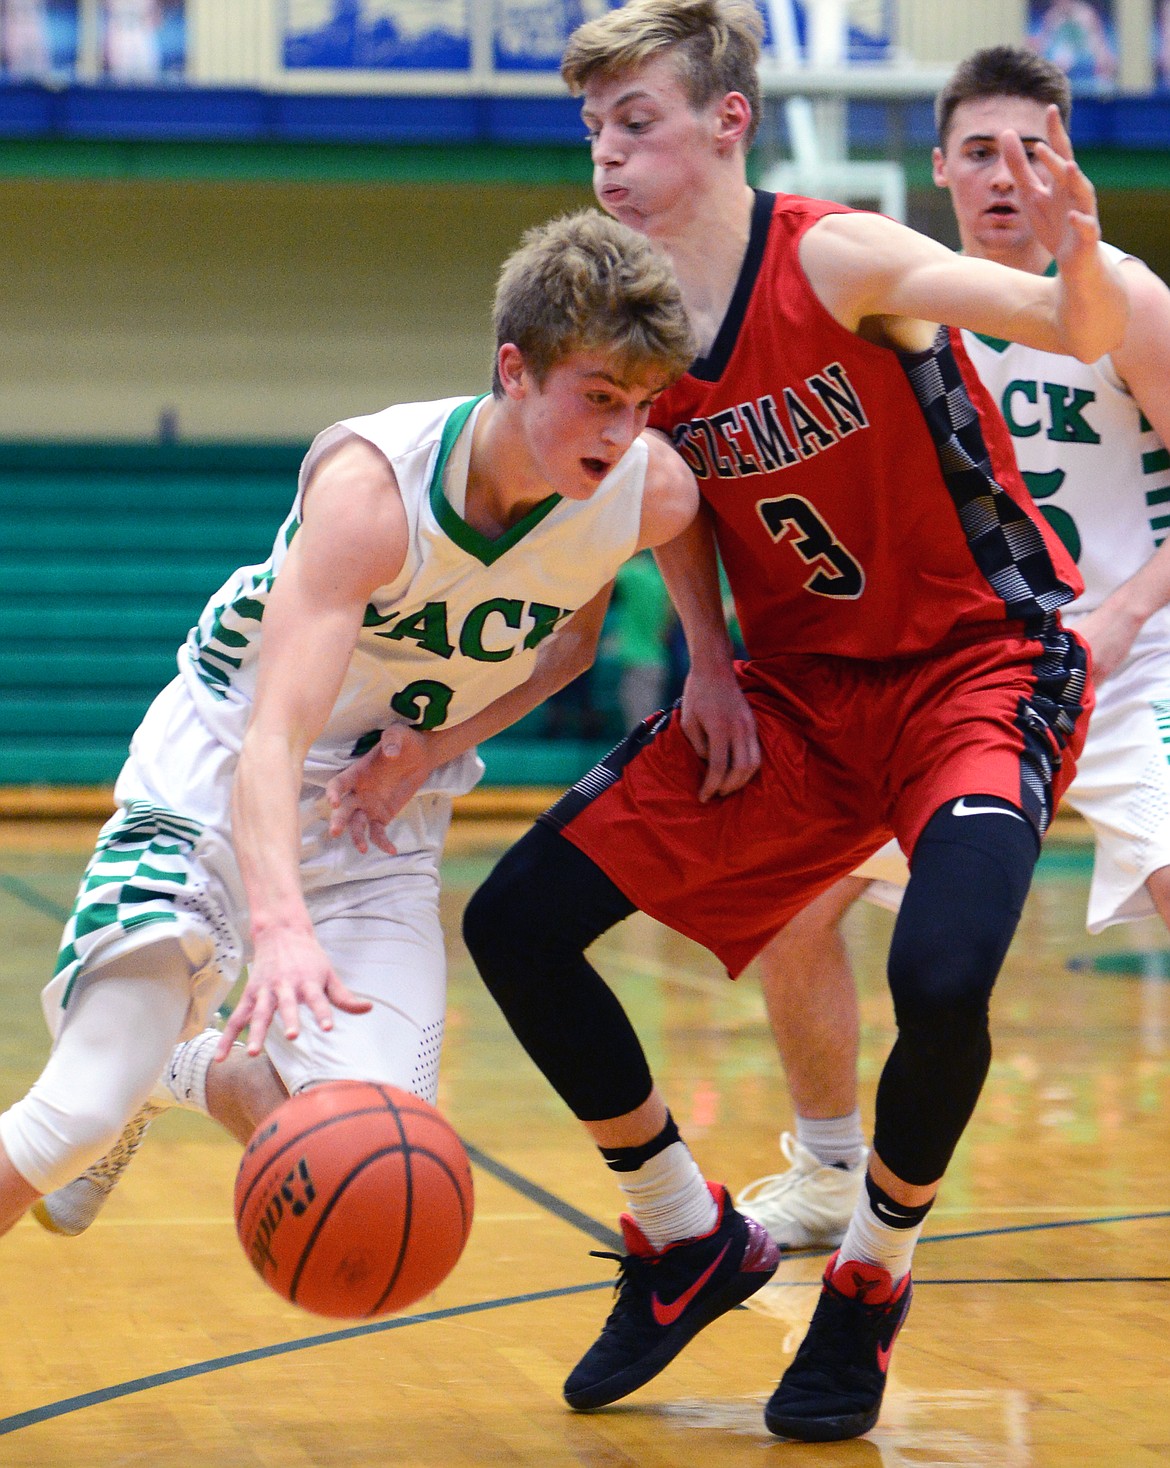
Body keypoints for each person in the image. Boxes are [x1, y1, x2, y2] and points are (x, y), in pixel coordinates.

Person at [453, 0, 1128, 1444]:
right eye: (591, 129)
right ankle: (684, 1233)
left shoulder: (834, 256)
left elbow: (1066, 327)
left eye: (634, 121)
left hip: (976, 666)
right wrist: (702, 654)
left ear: (725, 121)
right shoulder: (632, 313)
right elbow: (672, 490)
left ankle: (869, 1284)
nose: (606, 156)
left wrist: (1074, 247)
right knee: (513, 921)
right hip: (798, 697)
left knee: (943, 978)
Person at [6, 209, 702, 1246]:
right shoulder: (375, 492)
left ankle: (179, 1069)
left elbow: (566, 651)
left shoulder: (642, 494)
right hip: (220, 767)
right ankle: (134, 1069)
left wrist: (433, 745)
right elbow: (272, 742)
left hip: (383, 809)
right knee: (72, 1114)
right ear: (514, 369)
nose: (619, 432)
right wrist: (279, 930)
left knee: (365, 1146)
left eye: (641, 406)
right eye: (597, 399)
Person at [738, 43, 1170, 1260]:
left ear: (1067, 162)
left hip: (1137, 659)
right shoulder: (902, 307)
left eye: (1031, 149)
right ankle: (828, 1172)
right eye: (979, 151)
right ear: (937, 169)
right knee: (793, 896)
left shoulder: (1127, 299)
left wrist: (1133, 607)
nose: (1005, 174)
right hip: (976, 668)